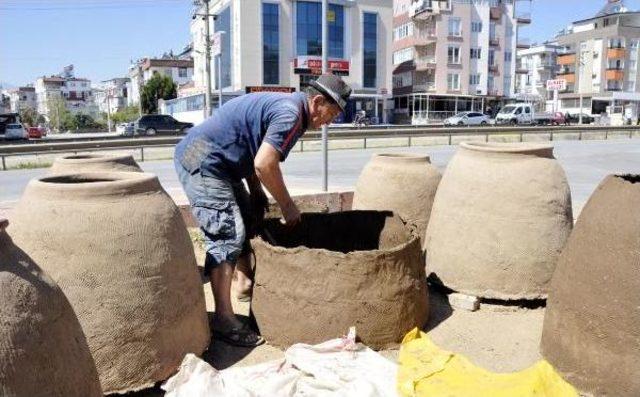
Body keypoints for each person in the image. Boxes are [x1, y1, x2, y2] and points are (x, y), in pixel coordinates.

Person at [174, 74, 352, 347]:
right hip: (202, 158)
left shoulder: (290, 108)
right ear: (317, 102)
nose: (332, 121)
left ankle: (243, 283)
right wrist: (287, 205)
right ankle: (223, 319)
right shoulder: (291, 115)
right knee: (227, 231)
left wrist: (256, 192)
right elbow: (265, 163)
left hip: (211, 153)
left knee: (248, 213)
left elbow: (251, 143)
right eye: (333, 113)